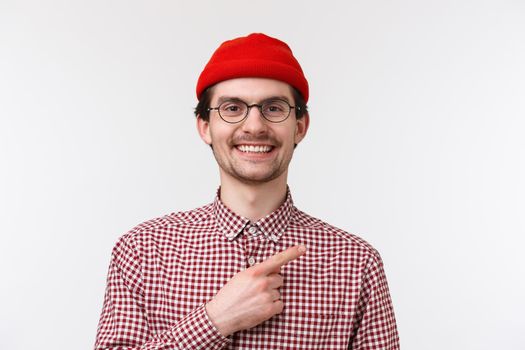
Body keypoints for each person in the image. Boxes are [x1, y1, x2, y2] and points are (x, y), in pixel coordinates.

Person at [94, 33, 400, 350]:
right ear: (204, 126)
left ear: (300, 126)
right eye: (232, 108)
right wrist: (214, 322)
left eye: (274, 108)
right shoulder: (141, 251)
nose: (254, 126)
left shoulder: (356, 263)